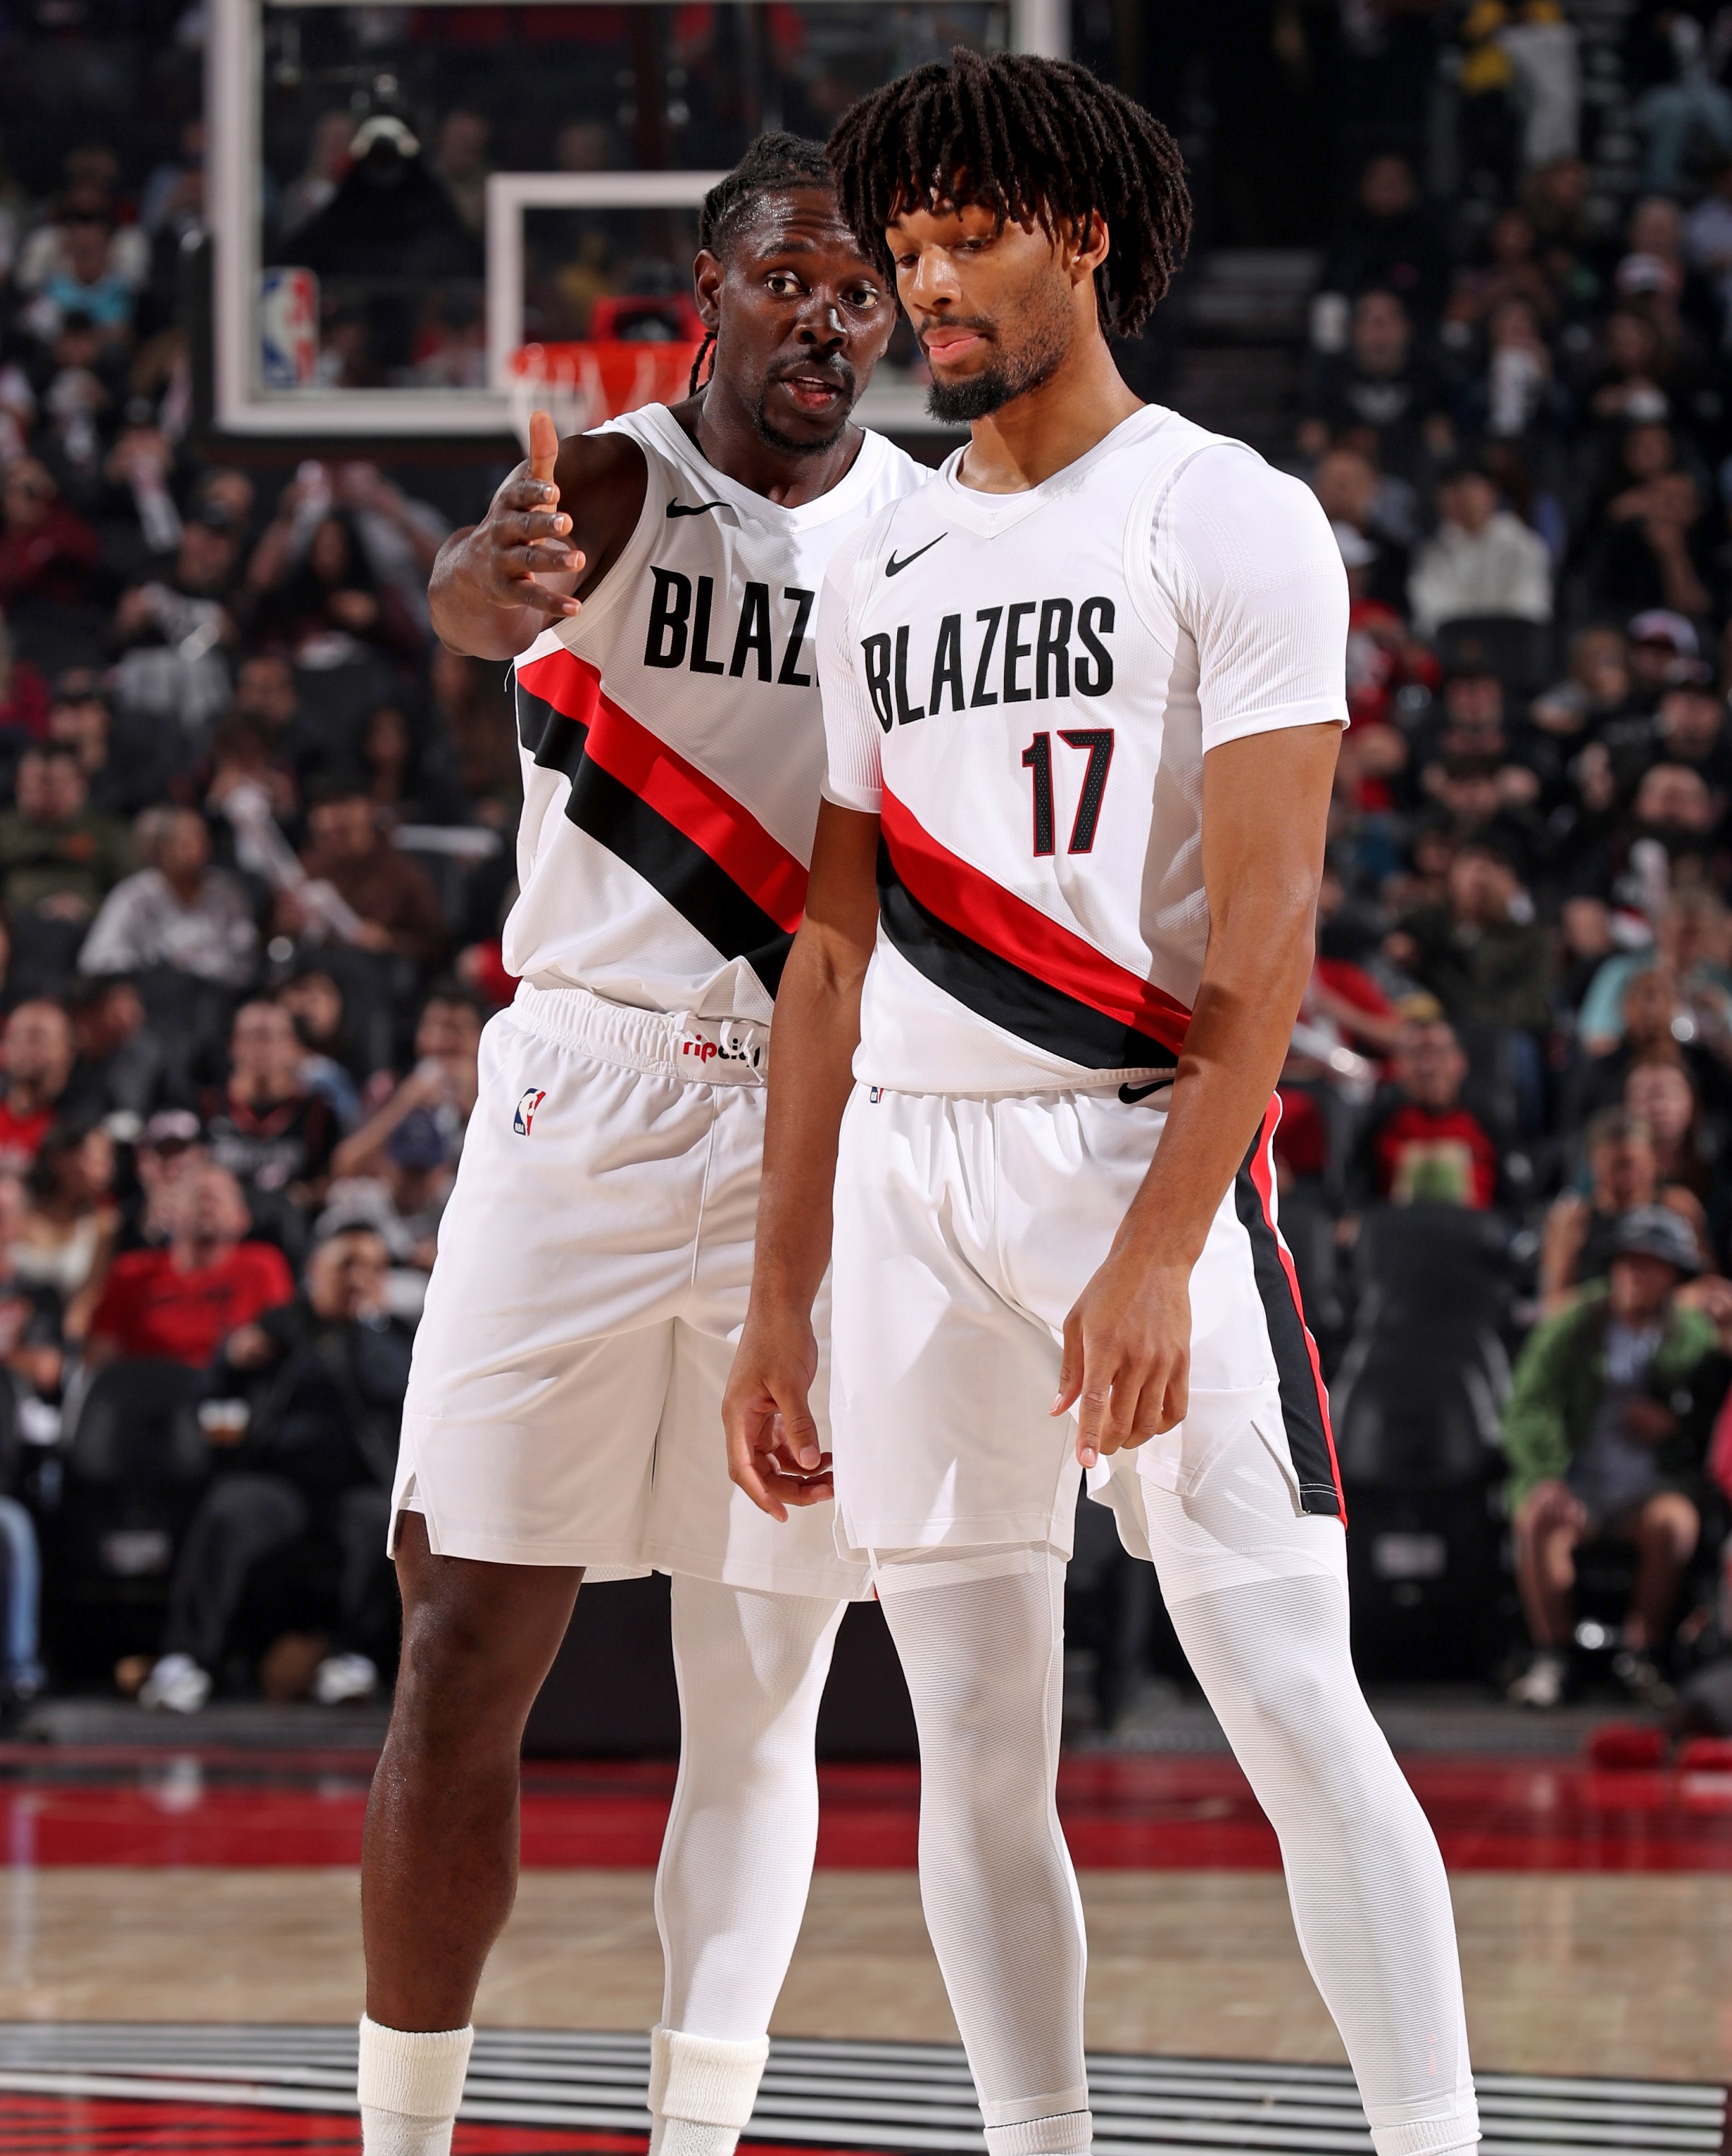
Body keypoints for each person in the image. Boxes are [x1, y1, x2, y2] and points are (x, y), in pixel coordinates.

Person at [726, 51, 1477, 2156]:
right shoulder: (865, 561)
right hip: (900, 1182)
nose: (922, 281)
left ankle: (1431, 2135)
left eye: (963, 236)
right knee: (969, 1738)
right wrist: (782, 1293)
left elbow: (1269, 930)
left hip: (1128, 1146)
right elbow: (827, 959)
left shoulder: (1217, 513)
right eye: (900, 247)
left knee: (1288, 1701)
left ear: (1082, 235)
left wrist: (1158, 1243)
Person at [356, 134, 924, 2156]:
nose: (827, 315)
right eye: (792, 275)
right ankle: (401, 2139)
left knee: (764, 1682)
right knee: (465, 1640)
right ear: (715, 282)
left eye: (861, 288)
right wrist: (476, 583)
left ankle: (699, 2137)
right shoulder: (611, 480)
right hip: (581, 1100)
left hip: (813, 1133)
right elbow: (479, 580)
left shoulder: (930, 539)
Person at [138, 1225, 412, 1716]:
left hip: (360, 1481)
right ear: (314, 1271)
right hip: (279, 1480)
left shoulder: (393, 1335)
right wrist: (230, 1358)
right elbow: (207, 1392)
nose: (358, 1276)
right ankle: (185, 1660)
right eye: (346, 1263)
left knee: (381, 1524)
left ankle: (352, 1659)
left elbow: (390, 1385)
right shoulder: (280, 1325)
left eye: (372, 1266)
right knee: (227, 1511)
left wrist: (367, 1322)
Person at [1505, 1207, 1718, 1708]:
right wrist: (1546, 1476)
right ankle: (1552, 1655)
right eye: (1628, 1261)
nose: (1636, 1273)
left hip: (1645, 1488)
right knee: (1538, 1518)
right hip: (1575, 1480)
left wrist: (1676, 1424)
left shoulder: (1691, 1335)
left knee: (1677, 1524)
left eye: (1652, 1263)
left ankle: (1640, 1653)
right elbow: (1526, 1406)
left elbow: (1712, 1411)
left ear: (1673, 1275)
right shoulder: (1576, 1325)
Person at [85, 1159, 293, 1366]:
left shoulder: (263, 1265)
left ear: (243, 1218)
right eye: (197, 1196)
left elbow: (283, 1334)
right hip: (148, 1387)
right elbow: (100, 1353)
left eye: (219, 1198)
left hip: (229, 1387)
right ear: (170, 1215)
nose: (207, 1205)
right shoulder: (131, 1272)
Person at [78, 805, 259, 990]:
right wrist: (149, 970)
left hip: (216, 997)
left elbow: (245, 958)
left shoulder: (226, 891)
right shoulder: (134, 895)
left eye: (202, 839)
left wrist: (197, 970)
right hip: (153, 998)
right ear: (158, 850)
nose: (200, 849)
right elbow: (97, 958)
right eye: (186, 843)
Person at [1358, 1019, 1501, 1208]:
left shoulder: (1488, 1124)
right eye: (1418, 1056)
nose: (1429, 1069)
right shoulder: (1381, 1124)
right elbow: (1359, 1188)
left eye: (1440, 1054)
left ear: (1460, 1062)